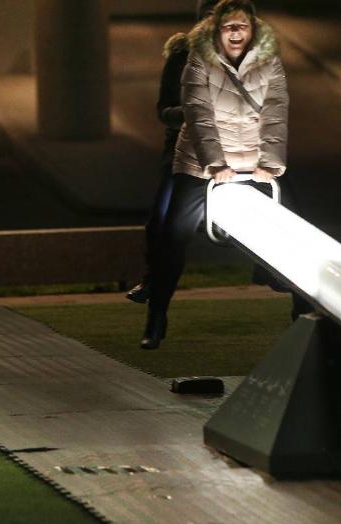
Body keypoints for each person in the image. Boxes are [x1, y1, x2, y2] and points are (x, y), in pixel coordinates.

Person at [141, 0, 291, 349]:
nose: (235, 32)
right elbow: (197, 113)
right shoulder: (197, 59)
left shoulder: (269, 61)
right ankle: (156, 315)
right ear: (215, 30)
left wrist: (270, 162)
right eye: (228, 26)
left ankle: (299, 310)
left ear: (253, 28)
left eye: (242, 26)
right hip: (199, 158)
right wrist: (215, 164)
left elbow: (276, 112)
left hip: (252, 154)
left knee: (292, 221)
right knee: (173, 235)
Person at [126, 0, 219, 304]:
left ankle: (272, 275)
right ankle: (154, 282)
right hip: (184, 149)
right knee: (162, 219)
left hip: (233, 150)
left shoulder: (245, 58)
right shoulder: (182, 54)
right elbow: (163, 110)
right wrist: (194, 113)